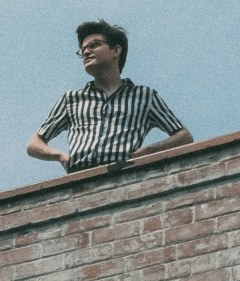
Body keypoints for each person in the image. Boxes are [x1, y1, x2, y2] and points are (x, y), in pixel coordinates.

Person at [27, 19, 193, 173]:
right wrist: (61, 156)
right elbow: (34, 144)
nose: (86, 52)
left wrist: (145, 152)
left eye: (94, 45)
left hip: (124, 176)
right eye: (82, 50)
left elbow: (183, 136)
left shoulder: (144, 96)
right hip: (79, 180)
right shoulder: (71, 99)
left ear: (116, 50)